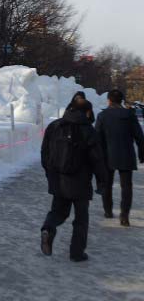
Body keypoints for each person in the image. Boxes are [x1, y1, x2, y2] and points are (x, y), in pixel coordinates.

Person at [40, 100, 107, 262]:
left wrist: (50, 173)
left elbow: (45, 152)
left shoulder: (54, 126)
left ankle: (48, 229)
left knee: (58, 211)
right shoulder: (88, 130)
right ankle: (77, 253)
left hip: (58, 179)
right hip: (81, 181)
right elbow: (97, 159)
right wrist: (102, 181)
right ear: (87, 112)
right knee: (81, 218)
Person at [95, 89, 144, 226]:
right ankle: (124, 216)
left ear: (109, 100)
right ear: (121, 100)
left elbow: (97, 137)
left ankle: (108, 210)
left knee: (107, 184)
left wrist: (95, 157)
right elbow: (139, 136)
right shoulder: (129, 114)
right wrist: (142, 154)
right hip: (126, 154)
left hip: (107, 155)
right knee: (127, 186)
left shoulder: (102, 115)